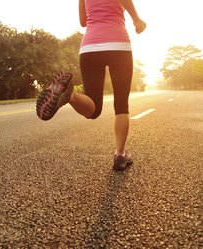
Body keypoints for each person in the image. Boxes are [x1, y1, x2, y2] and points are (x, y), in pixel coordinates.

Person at [36, 0, 146, 171]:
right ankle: (120, 154)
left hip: (90, 47)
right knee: (121, 104)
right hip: (118, 44)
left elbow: (83, 21)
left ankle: (70, 95)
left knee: (93, 110)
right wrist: (136, 19)